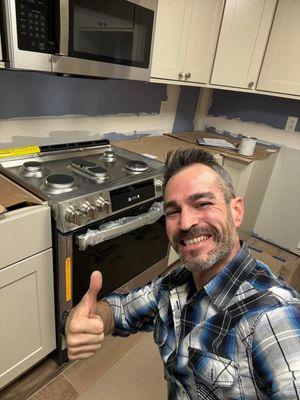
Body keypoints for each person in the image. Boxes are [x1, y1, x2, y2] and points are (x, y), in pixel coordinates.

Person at [65, 148, 300, 399]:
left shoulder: (273, 316)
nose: (186, 223)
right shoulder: (174, 284)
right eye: (173, 211)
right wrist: (92, 318)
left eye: (202, 203)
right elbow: (120, 310)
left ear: (236, 211)